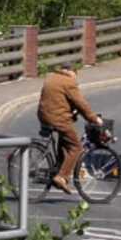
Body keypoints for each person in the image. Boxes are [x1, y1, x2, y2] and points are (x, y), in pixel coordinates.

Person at [37, 64, 102, 194]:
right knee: (76, 148)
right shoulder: (69, 81)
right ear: (71, 72)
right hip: (57, 119)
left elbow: (58, 99)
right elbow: (81, 103)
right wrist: (94, 119)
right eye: (75, 75)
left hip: (43, 116)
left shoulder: (51, 77)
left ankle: (58, 168)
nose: (75, 79)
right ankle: (61, 176)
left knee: (64, 139)